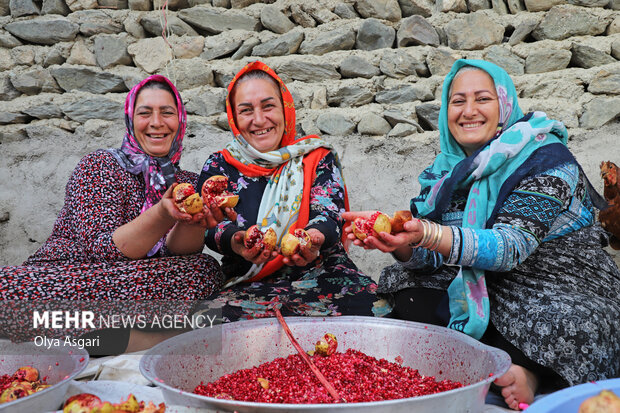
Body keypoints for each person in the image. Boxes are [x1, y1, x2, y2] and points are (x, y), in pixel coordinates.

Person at [343, 59, 620, 410]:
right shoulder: (448, 170)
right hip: (486, 284)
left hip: (558, 288)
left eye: (482, 99)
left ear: (504, 105)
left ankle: (532, 372)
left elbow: (509, 247)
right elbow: (433, 254)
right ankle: (503, 364)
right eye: (457, 101)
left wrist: (426, 232)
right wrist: (403, 244)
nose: (468, 111)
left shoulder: (547, 160)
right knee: (406, 289)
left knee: (578, 327)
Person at [0, 74, 230, 354]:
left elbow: (180, 255)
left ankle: (80, 339)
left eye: (167, 113)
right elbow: (104, 249)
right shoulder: (100, 165)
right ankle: (151, 339)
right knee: (7, 289)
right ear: (131, 120)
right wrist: (162, 213)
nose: (157, 122)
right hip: (75, 275)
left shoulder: (188, 182)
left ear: (180, 121)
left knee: (204, 270)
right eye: (145, 113)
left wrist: (192, 221)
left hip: (140, 286)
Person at [179, 61, 390, 321]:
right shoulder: (220, 164)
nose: (259, 120)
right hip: (248, 279)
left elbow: (329, 213)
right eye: (246, 110)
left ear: (285, 108)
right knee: (210, 330)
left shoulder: (315, 157)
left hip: (325, 274)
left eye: (268, 106)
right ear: (234, 117)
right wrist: (238, 240)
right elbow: (211, 225)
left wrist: (311, 240)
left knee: (375, 315)